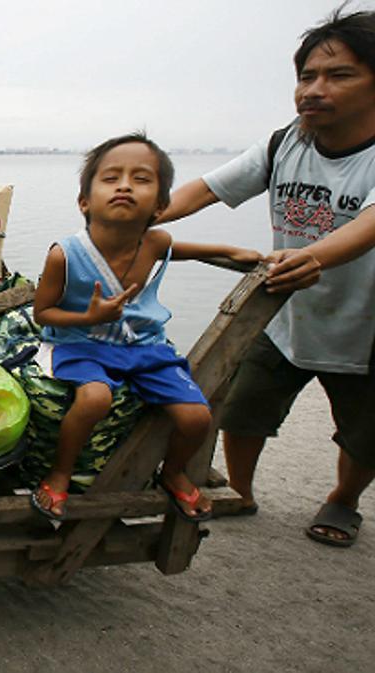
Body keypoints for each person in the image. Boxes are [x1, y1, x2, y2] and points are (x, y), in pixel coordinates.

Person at [158, 9, 375, 547]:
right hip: (282, 310)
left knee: (365, 432)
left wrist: (316, 256)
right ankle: (243, 491)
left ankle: (343, 500)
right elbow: (206, 188)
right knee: (244, 408)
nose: (314, 90)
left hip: (363, 325)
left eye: (339, 75)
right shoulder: (287, 143)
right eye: (306, 77)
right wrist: (144, 214)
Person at [29, 133, 263, 521]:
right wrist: (89, 318)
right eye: (111, 178)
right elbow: (43, 314)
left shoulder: (154, 243)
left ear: (160, 205)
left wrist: (230, 251)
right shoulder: (65, 255)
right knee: (94, 400)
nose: (124, 185)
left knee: (196, 417)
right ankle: (60, 473)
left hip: (141, 346)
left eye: (140, 179)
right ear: (84, 201)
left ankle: (172, 473)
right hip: (79, 342)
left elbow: (182, 250)